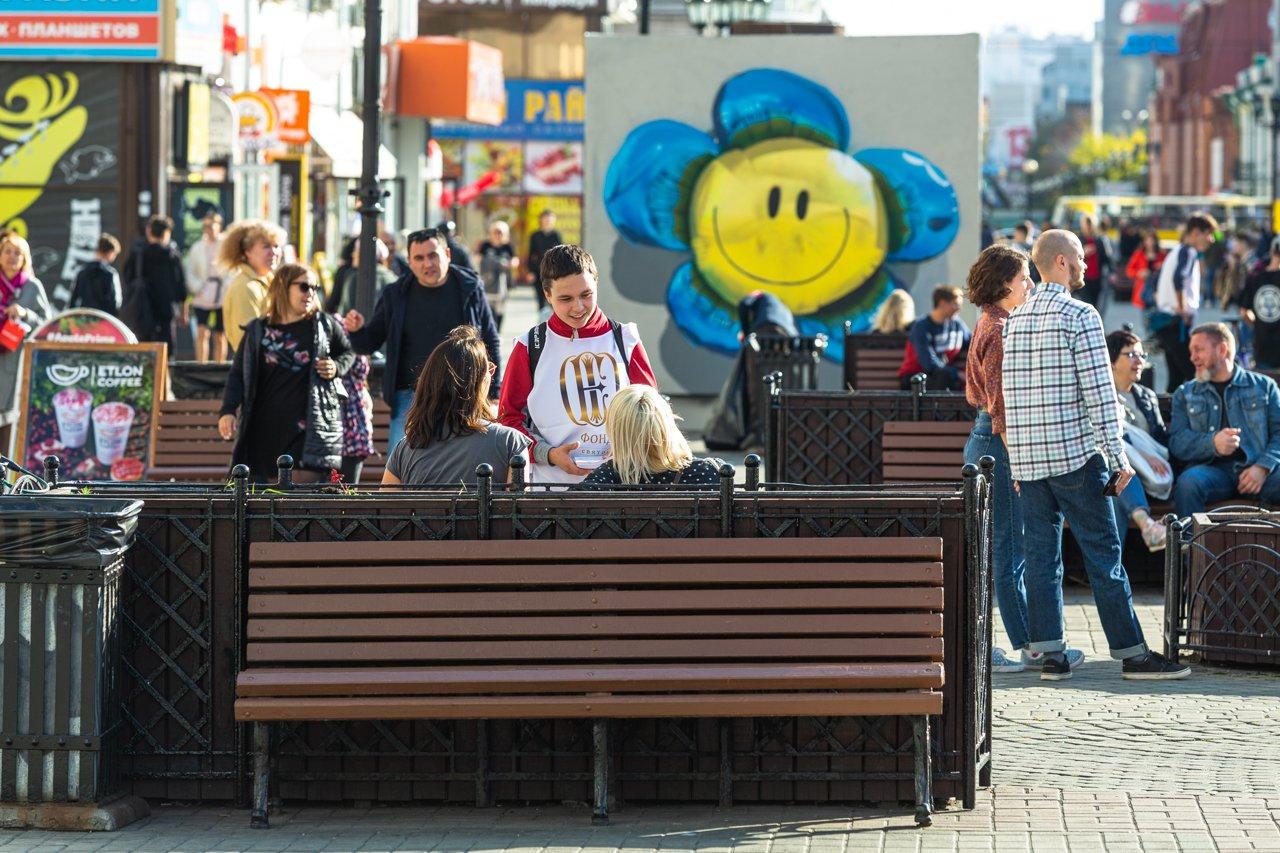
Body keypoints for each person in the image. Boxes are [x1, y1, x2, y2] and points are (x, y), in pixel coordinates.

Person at [1003, 229, 1189, 681]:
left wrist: (1018, 460)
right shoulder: (1081, 315)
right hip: (1075, 456)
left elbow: (1012, 395)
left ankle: (1051, 656)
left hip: (1029, 462)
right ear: (1061, 262)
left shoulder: (1015, 319)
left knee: (1042, 561)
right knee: (1104, 556)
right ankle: (1133, 655)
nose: (1087, 264)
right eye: (1080, 257)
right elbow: (1101, 395)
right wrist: (1118, 457)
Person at [963, 243, 1055, 674]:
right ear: (1003, 284)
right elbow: (1000, 407)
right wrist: (1018, 462)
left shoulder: (989, 320)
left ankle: (1026, 641)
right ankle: (1029, 645)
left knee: (1004, 545)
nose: (1030, 285)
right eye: (1023, 278)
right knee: (1009, 547)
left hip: (984, 439)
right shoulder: (1001, 329)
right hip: (998, 445)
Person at [498, 244, 657, 485]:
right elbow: (508, 420)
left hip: (620, 486)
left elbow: (652, 414)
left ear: (596, 285)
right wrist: (548, 454)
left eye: (586, 295)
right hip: (549, 488)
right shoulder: (529, 345)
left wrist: (630, 448)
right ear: (547, 295)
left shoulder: (626, 339)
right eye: (566, 299)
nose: (578, 307)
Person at [343, 226, 502, 452]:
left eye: (433, 255)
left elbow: (491, 340)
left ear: (447, 254)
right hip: (410, 395)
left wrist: (494, 393)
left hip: (464, 391)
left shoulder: (469, 287)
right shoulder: (395, 294)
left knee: (467, 459)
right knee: (402, 460)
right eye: (419, 258)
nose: (427, 264)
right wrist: (357, 330)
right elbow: (367, 344)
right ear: (409, 262)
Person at [218, 263, 353, 482]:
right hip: (265, 429)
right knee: (268, 493)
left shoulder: (323, 325)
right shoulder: (258, 330)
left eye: (315, 288)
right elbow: (238, 374)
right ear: (283, 287)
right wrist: (228, 410)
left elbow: (348, 352)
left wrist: (336, 367)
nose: (310, 293)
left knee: (301, 492)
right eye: (304, 287)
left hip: (309, 429)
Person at [382, 326, 529, 487]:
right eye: (488, 369)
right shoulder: (511, 442)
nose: (491, 375)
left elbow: (387, 503)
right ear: (478, 381)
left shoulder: (405, 449)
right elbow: (517, 502)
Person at [1169, 323, 1280, 517]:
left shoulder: (1264, 386)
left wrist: (1263, 467)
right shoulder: (1185, 393)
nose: (1192, 357)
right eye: (1191, 351)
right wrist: (1212, 443)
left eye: (1198, 350)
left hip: (1259, 471)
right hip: (1212, 473)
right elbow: (1177, 441)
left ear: (1222, 350)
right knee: (1188, 483)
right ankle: (1187, 539)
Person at [579, 385, 724, 489]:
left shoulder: (605, 479)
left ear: (617, 432)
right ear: (668, 424)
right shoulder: (712, 472)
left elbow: (569, 515)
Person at [1106, 330, 1171, 552]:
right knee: (1117, 476)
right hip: (1117, 471)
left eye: (1142, 355)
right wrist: (1140, 456)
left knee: (1116, 484)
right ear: (1112, 361)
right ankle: (1147, 524)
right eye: (1131, 355)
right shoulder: (1102, 397)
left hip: (1151, 474)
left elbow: (1159, 439)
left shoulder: (1146, 396)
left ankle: (1110, 568)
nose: (1140, 361)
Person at [1151, 212, 1219, 393]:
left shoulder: (1177, 251)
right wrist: (1182, 309)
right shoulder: (1188, 252)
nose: (1211, 239)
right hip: (1177, 324)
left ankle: (1168, 410)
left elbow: (1156, 281)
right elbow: (1178, 278)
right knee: (1195, 375)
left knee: (1176, 379)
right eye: (1209, 234)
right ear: (1196, 232)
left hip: (1168, 322)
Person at [0, 232, 53, 443]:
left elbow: (46, 324)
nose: (12, 257)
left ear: (24, 259)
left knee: (10, 429)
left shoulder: (32, 286)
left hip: (15, 364)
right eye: (7, 251)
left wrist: (25, 314)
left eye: (17, 253)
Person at [220, 219, 285, 355]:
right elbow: (248, 341)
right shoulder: (245, 287)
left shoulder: (270, 281)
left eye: (276, 246)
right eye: (266, 246)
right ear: (247, 252)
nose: (273, 252)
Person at [123, 215, 187, 348]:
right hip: (166, 309)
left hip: (142, 308)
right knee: (165, 347)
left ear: (149, 231)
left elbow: (128, 278)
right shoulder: (172, 255)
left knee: (143, 347)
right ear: (166, 233)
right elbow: (180, 286)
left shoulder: (138, 253)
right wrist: (183, 311)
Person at [896, 285, 970, 390]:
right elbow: (928, 362)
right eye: (955, 304)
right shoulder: (921, 326)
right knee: (944, 377)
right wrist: (956, 373)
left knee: (946, 378)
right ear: (942, 303)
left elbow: (973, 344)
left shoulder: (957, 325)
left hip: (943, 378)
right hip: (915, 379)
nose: (959, 309)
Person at [185, 213, 228, 362]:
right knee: (202, 332)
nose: (208, 229)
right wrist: (197, 287)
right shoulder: (197, 247)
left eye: (211, 225)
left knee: (220, 334)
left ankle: (220, 366)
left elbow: (232, 269)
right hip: (202, 294)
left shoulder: (226, 245)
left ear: (219, 226)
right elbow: (190, 271)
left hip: (222, 294)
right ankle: (201, 365)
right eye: (205, 226)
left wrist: (228, 286)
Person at [1239, 239, 1280, 370]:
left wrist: (1258, 324)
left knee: (1265, 380)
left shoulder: (1254, 278)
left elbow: (1244, 312)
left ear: (1271, 252)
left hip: (1262, 344)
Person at [477, 220, 518, 330]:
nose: (497, 235)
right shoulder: (485, 245)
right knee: (487, 307)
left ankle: (497, 330)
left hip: (503, 281)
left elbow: (515, 260)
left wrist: (509, 263)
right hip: (487, 281)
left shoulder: (508, 247)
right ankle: (489, 329)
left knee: (500, 308)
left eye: (500, 233)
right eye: (495, 232)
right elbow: (477, 258)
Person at [70, 234, 122, 316]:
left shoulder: (81, 272)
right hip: (104, 319)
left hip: (84, 319)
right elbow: (115, 303)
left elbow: (73, 301)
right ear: (110, 253)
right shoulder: (110, 274)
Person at [525, 209, 562, 316]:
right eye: (546, 219)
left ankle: (555, 320)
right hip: (538, 271)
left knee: (553, 298)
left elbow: (560, 254)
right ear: (541, 220)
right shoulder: (535, 235)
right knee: (540, 298)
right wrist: (530, 271)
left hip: (552, 272)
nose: (548, 222)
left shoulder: (556, 235)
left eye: (550, 220)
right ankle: (542, 321)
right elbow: (531, 254)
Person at [1077, 214, 1114, 311]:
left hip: (1097, 277)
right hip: (1083, 278)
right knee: (1087, 304)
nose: (1088, 228)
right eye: (1086, 225)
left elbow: (1107, 258)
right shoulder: (1078, 240)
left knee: (1096, 304)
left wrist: (1112, 272)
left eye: (1090, 225)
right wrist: (1083, 253)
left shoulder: (1100, 240)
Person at [1125, 229, 1165, 309]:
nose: (1150, 243)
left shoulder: (1162, 255)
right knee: (1145, 314)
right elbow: (1129, 271)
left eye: (1152, 241)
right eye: (1148, 240)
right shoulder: (1139, 254)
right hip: (1143, 291)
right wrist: (1139, 273)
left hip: (1158, 292)